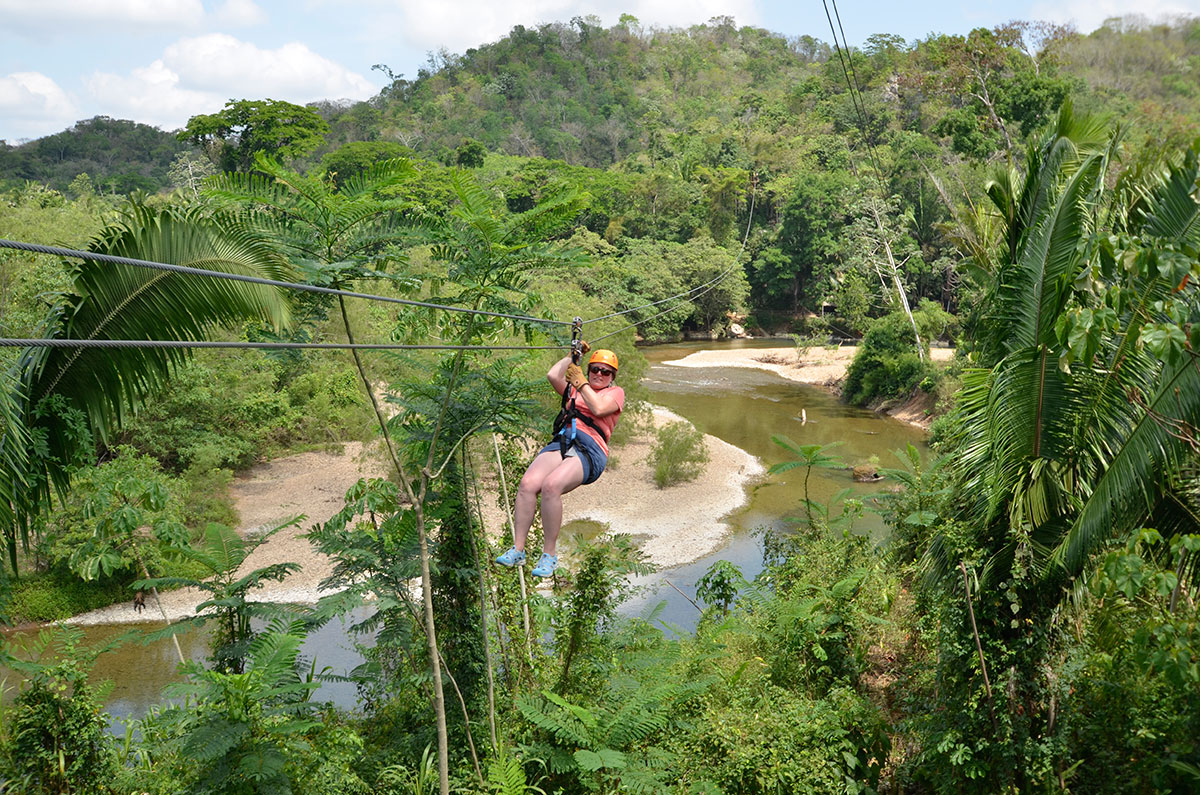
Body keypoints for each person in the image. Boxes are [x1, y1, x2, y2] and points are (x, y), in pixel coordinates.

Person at [496, 343, 624, 578]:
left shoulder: (614, 393)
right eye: (594, 369)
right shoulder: (574, 389)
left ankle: (549, 555)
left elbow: (598, 409)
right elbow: (553, 375)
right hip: (564, 441)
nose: (598, 375)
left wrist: (580, 382)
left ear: (612, 376)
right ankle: (518, 549)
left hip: (590, 450)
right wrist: (572, 357)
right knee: (527, 484)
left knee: (551, 485)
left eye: (605, 372)